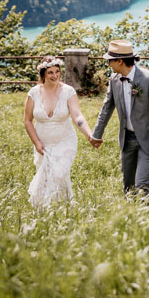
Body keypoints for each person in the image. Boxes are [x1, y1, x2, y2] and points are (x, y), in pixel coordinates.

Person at [91, 40, 149, 196]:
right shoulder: (114, 80)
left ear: (120, 61)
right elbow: (107, 108)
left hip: (148, 141)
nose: (109, 64)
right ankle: (132, 216)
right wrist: (96, 134)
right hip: (127, 140)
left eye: (110, 61)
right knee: (128, 186)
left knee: (141, 184)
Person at [24, 55, 98, 207]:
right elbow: (27, 120)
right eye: (50, 72)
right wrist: (36, 142)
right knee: (45, 177)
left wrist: (89, 134)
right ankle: (54, 207)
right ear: (43, 74)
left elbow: (77, 116)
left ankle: (51, 206)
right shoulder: (34, 93)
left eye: (57, 71)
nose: (55, 75)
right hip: (43, 143)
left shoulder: (68, 91)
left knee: (58, 173)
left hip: (65, 141)